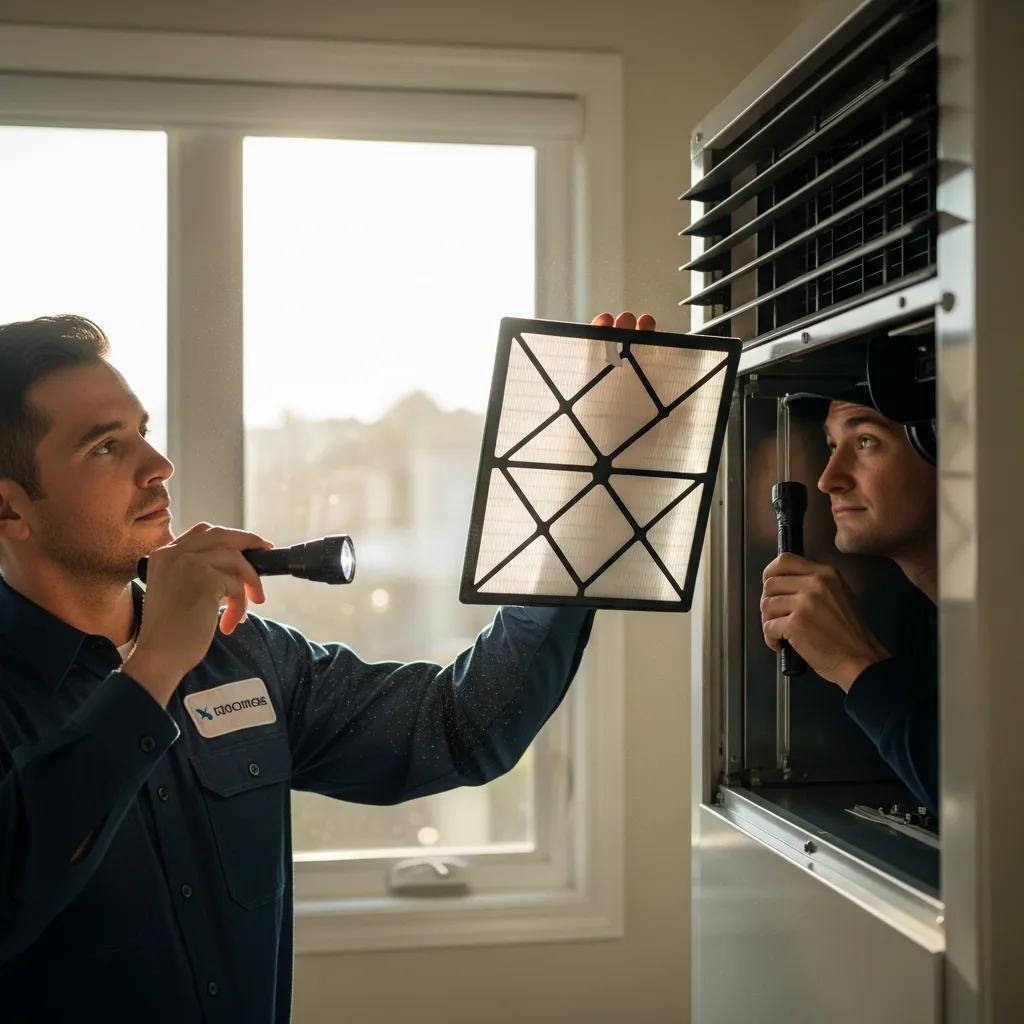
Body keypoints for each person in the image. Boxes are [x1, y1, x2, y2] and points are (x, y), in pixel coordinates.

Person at [0, 311, 636, 1022]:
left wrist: (575, 499)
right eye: (106, 447)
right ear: (9, 509)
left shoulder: (244, 653)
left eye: (143, 430)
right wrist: (155, 667)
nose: (158, 466)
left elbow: (460, 727)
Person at [759, 381, 938, 817]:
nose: (827, 480)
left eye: (865, 441)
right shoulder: (922, 622)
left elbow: (994, 807)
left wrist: (855, 664)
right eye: (831, 445)